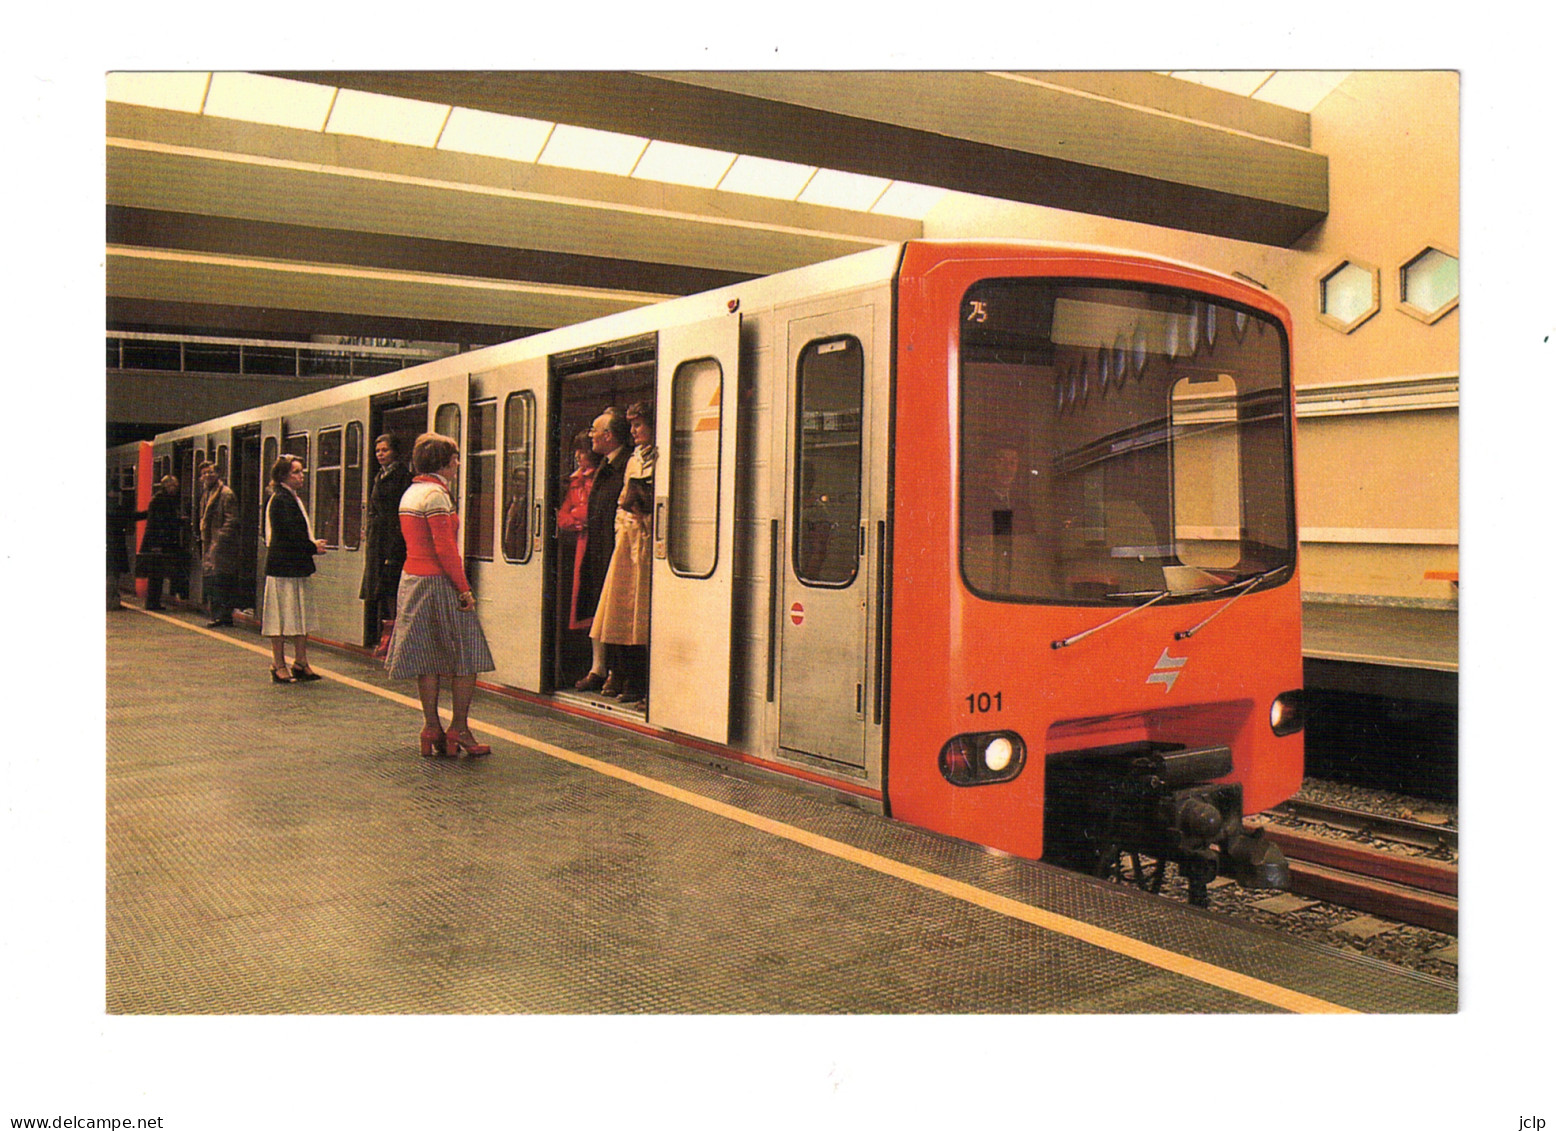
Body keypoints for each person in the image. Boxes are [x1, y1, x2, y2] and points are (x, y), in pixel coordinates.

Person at [384, 432, 496, 757]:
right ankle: (459, 728)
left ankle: (431, 726)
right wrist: (464, 589)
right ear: (443, 463)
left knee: (427, 657)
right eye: (455, 458)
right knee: (468, 655)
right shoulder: (436, 496)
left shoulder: (411, 493)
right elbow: (446, 549)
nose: (458, 464)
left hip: (412, 581)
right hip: (438, 583)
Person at [589, 401, 657, 706]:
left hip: (645, 541)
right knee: (621, 611)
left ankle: (638, 680)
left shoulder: (658, 457)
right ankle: (624, 672)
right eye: (631, 426)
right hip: (627, 541)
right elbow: (621, 500)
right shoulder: (634, 460)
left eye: (639, 425)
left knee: (641, 614)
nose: (634, 431)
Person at [571, 408, 630, 692]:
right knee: (599, 609)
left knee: (614, 610)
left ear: (608, 435)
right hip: (599, 548)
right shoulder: (608, 465)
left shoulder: (623, 466)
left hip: (613, 548)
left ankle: (616, 672)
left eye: (595, 430)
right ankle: (601, 669)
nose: (591, 434)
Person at [263, 455, 327, 683]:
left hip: (294, 567)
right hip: (283, 569)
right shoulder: (280, 500)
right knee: (280, 617)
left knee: (300, 614)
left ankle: (301, 661)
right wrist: (312, 547)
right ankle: (278, 664)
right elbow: (287, 534)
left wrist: (310, 545)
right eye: (296, 472)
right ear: (282, 476)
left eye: (301, 471)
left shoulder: (291, 498)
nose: (301, 476)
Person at [359, 433, 414, 657]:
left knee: (391, 588)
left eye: (385, 450)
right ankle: (388, 634)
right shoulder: (379, 477)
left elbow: (397, 513)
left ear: (395, 452)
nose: (380, 454)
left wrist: (395, 545)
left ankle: (393, 637)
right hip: (379, 541)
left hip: (394, 540)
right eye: (378, 451)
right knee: (383, 589)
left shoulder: (403, 477)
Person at [556, 428, 600, 633]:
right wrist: (576, 519)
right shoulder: (575, 482)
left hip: (595, 542)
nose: (577, 456)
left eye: (581, 451)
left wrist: (578, 514)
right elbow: (562, 517)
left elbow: (585, 511)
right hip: (582, 542)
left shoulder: (598, 478)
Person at [198, 463, 241, 627]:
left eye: (210, 472)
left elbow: (232, 520)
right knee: (213, 580)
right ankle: (217, 614)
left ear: (217, 474)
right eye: (204, 473)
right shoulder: (207, 493)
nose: (207, 476)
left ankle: (222, 616)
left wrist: (220, 540)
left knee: (220, 580)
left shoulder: (226, 494)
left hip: (221, 546)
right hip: (211, 543)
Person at [134, 475, 182, 610]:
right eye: (174, 486)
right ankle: (152, 602)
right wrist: (156, 545)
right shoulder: (161, 500)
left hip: (158, 541)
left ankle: (154, 602)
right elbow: (158, 523)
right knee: (156, 574)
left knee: (157, 574)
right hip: (157, 543)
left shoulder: (162, 499)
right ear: (167, 486)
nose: (176, 488)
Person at [107, 484, 132, 611]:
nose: (118, 494)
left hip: (111, 545)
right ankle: (111, 602)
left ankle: (112, 601)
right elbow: (127, 516)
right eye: (116, 491)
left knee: (111, 574)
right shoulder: (113, 506)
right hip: (114, 545)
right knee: (112, 575)